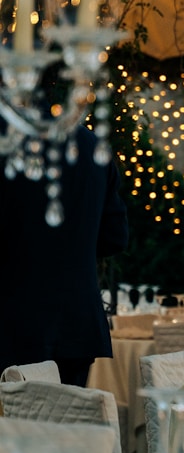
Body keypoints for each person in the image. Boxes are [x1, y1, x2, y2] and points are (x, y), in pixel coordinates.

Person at [0, 124, 128, 386]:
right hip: (74, 325)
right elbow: (114, 237)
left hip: (9, 324)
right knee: (65, 424)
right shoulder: (91, 144)